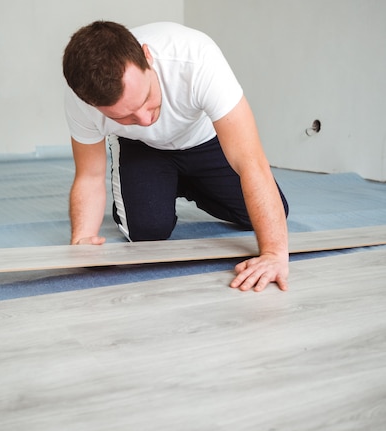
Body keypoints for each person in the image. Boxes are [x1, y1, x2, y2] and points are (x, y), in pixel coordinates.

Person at [62, 21, 289, 292]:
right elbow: (89, 176)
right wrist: (83, 239)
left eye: (146, 99)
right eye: (124, 116)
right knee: (146, 233)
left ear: (148, 57)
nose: (145, 119)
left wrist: (274, 254)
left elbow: (250, 162)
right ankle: (159, 185)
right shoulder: (83, 100)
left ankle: (182, 184)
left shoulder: (196, 58)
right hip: (143, 149)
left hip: (203, 140)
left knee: (271, 216)